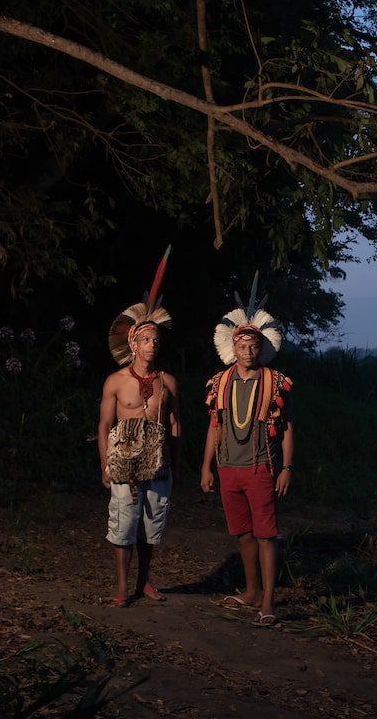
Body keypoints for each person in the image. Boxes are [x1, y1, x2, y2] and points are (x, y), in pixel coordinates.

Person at [200, 276, 295, 627]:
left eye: (253, 345)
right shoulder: (219, 382)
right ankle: (252, 589)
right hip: (228, 468)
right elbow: (215, 426)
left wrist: (287, 468)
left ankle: (269, 598)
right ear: (233, 347)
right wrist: (206, 467)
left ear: (261, 347)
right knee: (242, 532)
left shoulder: (275, 382)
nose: (248, 351)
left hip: (260, 466)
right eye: (242, 345)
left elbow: (285, 427)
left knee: (266, 533)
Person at [97, 250, 180, 607]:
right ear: (133, 343)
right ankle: (121, 587)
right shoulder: (115, 381)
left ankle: (144, 582)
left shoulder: (168, 381)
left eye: (156, 339)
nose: (153, 344)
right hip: (123, 463)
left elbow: (175, 424)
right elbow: (103, 426)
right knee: (123, 527)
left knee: (151, 528)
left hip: (159, 465)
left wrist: (177, 465)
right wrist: (104, 464)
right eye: (146, 339)